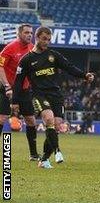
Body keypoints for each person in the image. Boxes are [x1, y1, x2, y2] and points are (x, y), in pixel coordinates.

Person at [11, 26, 94, 169]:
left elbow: (69, 67)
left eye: (49, 40)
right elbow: (18, 82)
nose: (46, 42)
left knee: (56, 125)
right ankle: (58, 151)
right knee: (48, 119)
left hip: (56, 95)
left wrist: (84, 75)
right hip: (38, 94)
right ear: (37, 38)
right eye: (44, 39)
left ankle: (43, 159)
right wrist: (15, 101)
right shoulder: (27, 60)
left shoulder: (53, 55)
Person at [0, 23, 39, 161]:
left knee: (31, 121)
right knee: (2, 118)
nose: (29, 35)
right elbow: (0, 67)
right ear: (19, 34)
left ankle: (34, 154)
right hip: (7, 89)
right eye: (26, 32)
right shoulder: (10, 48)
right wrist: (6, 86)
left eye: (31, 33)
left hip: (23, 91)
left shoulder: (32, 49)